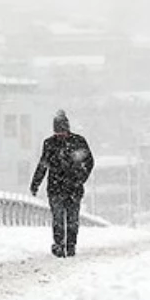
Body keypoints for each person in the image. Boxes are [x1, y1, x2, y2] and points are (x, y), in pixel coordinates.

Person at [30, 110, 95, 258]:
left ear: (67, 129)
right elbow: (43, 165)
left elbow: (89, 162)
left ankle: (71, 245)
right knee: (58, 218)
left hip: (73, 187)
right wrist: (35, 183)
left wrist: (80, 178)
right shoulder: (49, 144)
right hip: (56, 188)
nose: (60, 135)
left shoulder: (78, 142)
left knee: (72, 219)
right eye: (57, 132)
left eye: (62, 131)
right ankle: (59, 245)